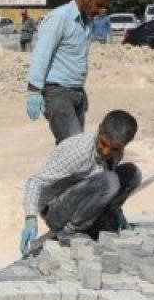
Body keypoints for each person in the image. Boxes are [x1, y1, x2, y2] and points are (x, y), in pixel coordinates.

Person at [19, 110, 141, 256]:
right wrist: (30, 219)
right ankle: (69, 231)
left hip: (84, 203)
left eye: (115, 148)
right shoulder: (77, 151)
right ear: (99, 128)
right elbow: (35, 181)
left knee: (132, 173)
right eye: (103, 143)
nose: (106, 151)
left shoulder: (116, 152)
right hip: (56, 210)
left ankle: (105, 217)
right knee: (110, 181)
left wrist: (117, 210)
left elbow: (100, 181)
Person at [25, 0, 111, 144]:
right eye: (98, 5)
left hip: (75, 91)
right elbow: (41, 53)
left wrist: (80, 89)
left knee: (72, 148)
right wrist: (34, 91)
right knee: (74, 147)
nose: (101, 10)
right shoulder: (59, 18)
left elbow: (74, 58)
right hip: (57, 92)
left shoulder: (86, 22)